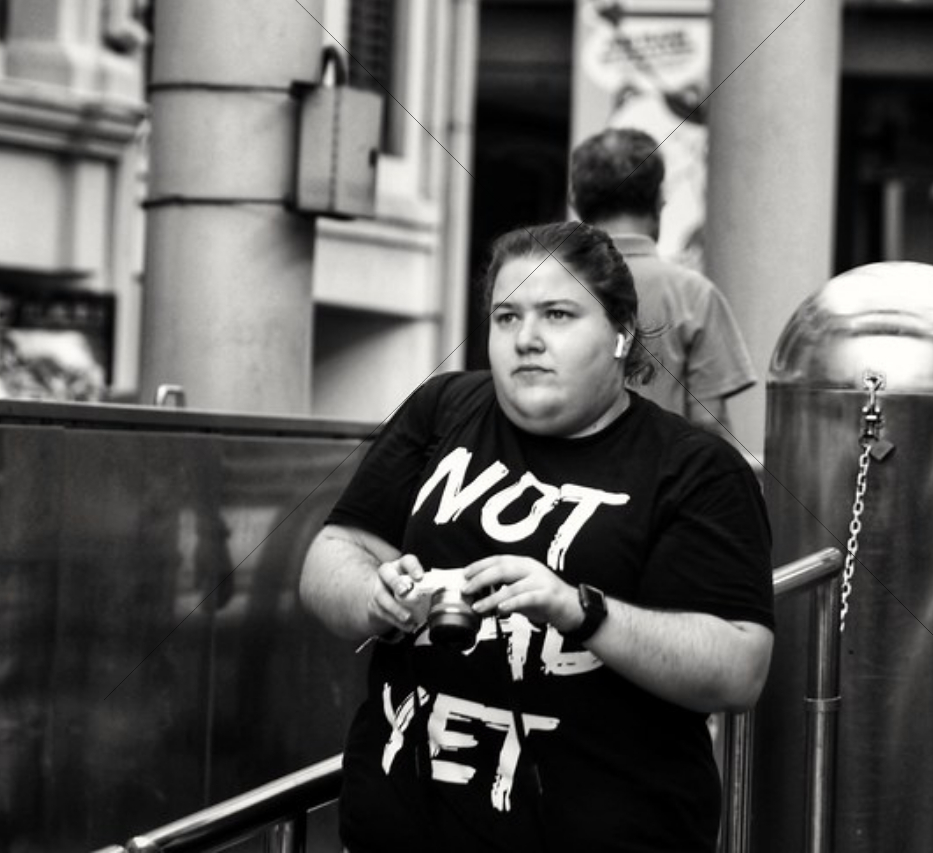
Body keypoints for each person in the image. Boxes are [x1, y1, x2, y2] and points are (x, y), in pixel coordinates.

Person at [298, 220, 776, 852]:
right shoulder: (443, 408)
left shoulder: (694, 468)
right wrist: (373, 595)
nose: (527, 339)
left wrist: (577, 609)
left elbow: (738, 669)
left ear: (620, 334)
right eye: (506, 317)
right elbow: (332, 556)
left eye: (557, 314)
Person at [568, 128, 756, 440]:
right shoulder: (693, 295)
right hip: (662, 484)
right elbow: (708, 422)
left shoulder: (543, 286)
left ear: (576, 203)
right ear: (659, 201)